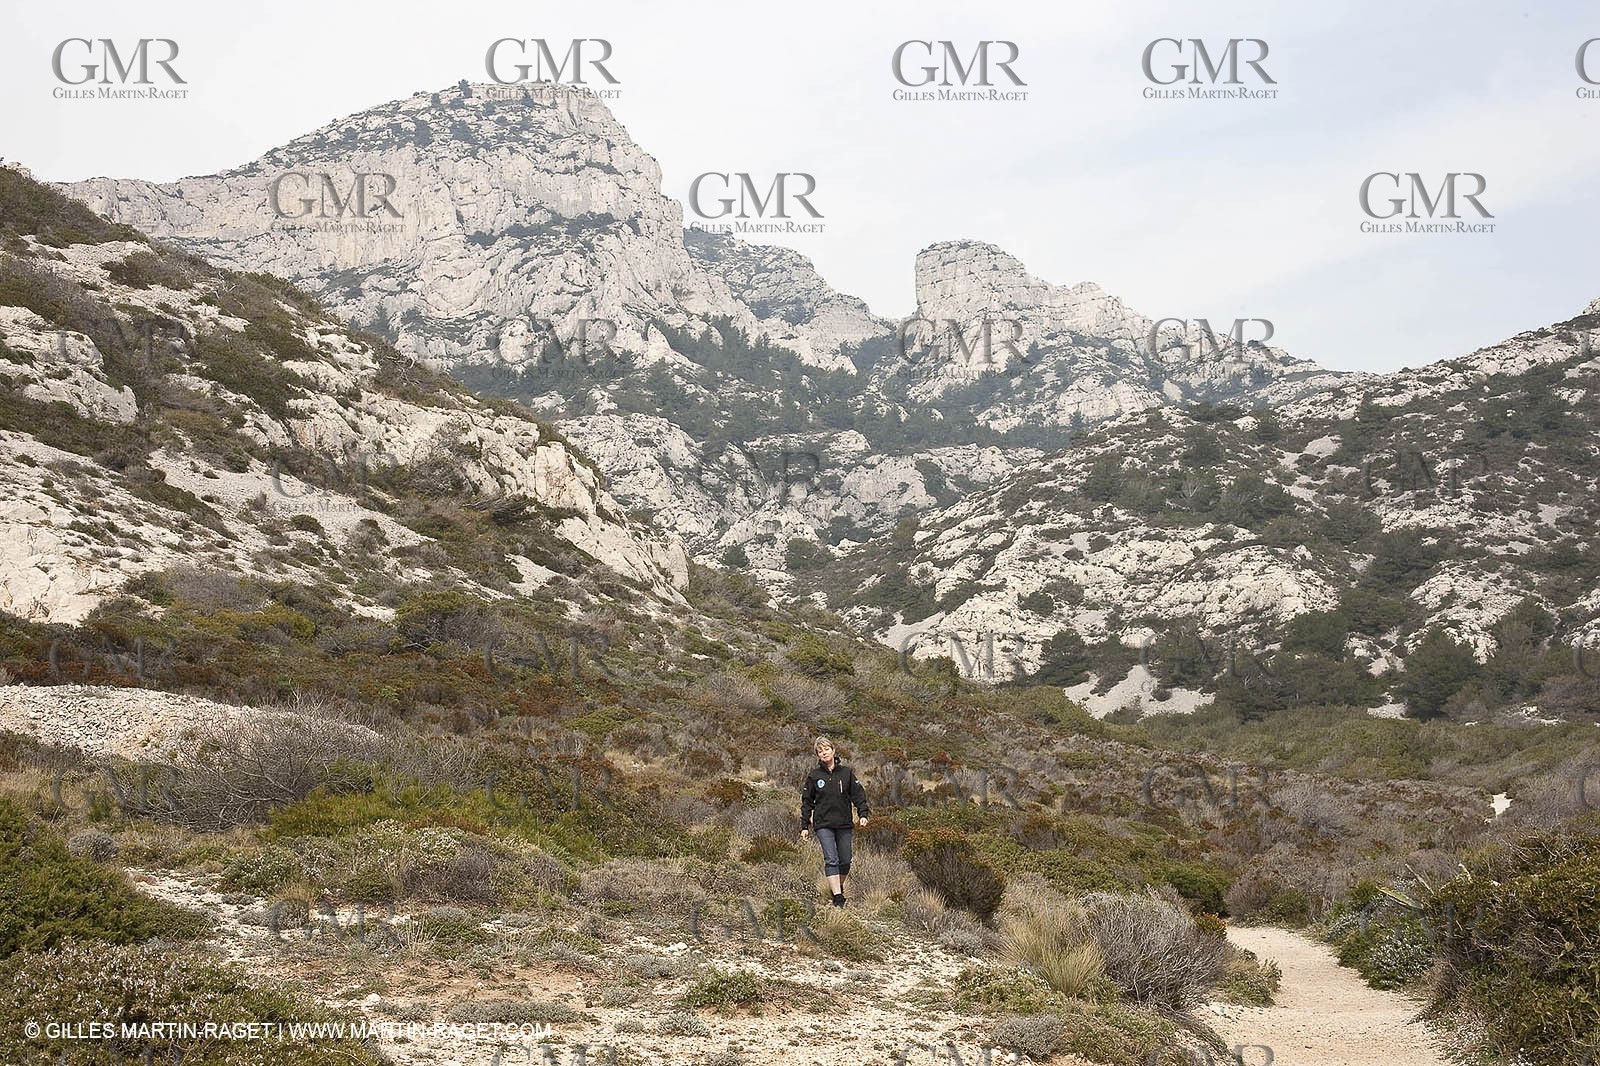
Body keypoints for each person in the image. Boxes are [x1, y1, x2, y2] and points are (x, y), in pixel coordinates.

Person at [798, 736, 870, 907]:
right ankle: (838, 897)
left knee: (845, 860)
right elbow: (807, 802)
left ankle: (837, 887)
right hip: (823, 824)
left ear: (833, 750)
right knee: (831, 859)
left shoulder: (846, 773)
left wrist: (863, 814)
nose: (824, 753)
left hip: (844, 823)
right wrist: (804, 826)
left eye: (826, 749)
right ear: (818, 755)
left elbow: (858, 795)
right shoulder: (814, 776)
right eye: (820, 751)